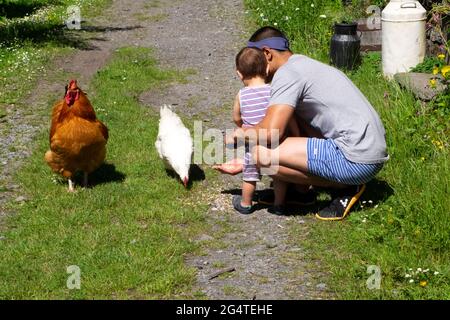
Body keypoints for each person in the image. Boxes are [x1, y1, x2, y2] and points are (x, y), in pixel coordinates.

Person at [232, 26, 389, 221]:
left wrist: (239, 134)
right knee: (291, 122)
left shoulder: (287, 74)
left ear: (267, 53)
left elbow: (271, 132)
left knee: (260, 156)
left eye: (256, 58)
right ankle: (299, 193)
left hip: (355, 158)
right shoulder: (303, 64)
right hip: (369, 151)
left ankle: (345, 186)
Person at [215, 47, 299, 215]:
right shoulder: (274, 91)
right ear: (267, 68)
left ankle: (246, 204)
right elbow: (285, 115)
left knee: (250, 175)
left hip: (252, 143)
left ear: (239, 74)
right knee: (277, 176)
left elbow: (236, 117)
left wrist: (242, 126)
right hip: (274, 142)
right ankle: (279, 205)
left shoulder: (242, 95)